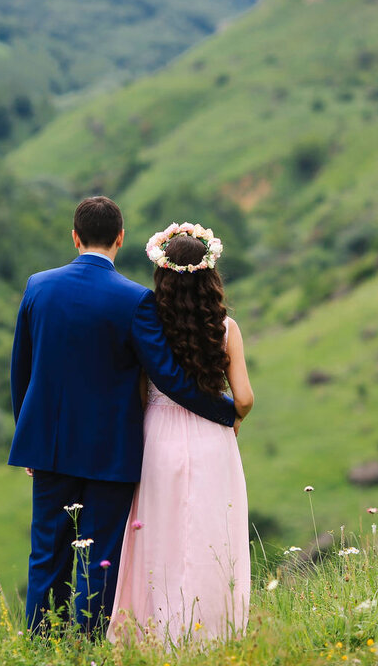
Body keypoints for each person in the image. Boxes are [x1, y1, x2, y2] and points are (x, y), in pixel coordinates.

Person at [8, 197, 237, 635]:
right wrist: (226, 412)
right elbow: (168, 376)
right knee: (100, 560)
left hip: (49, 446)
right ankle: (89, 649)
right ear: (121, 238)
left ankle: (42, 650)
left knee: (46, 557)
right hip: (110, 454)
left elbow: (22, 369)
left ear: (75, 237)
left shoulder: (37, 287)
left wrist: (29, 436)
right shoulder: (135, 300)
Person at [108, 222, 255, 646]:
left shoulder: (150, 328)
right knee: (212, 532)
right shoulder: (226, 329)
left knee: (159, 531)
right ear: (211, 275)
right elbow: (243, 397)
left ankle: (157, 632)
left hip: (159, 435)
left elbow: (139, 392)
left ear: (163, 274)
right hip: (212, 438)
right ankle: (213, 634)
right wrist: (235, 416)